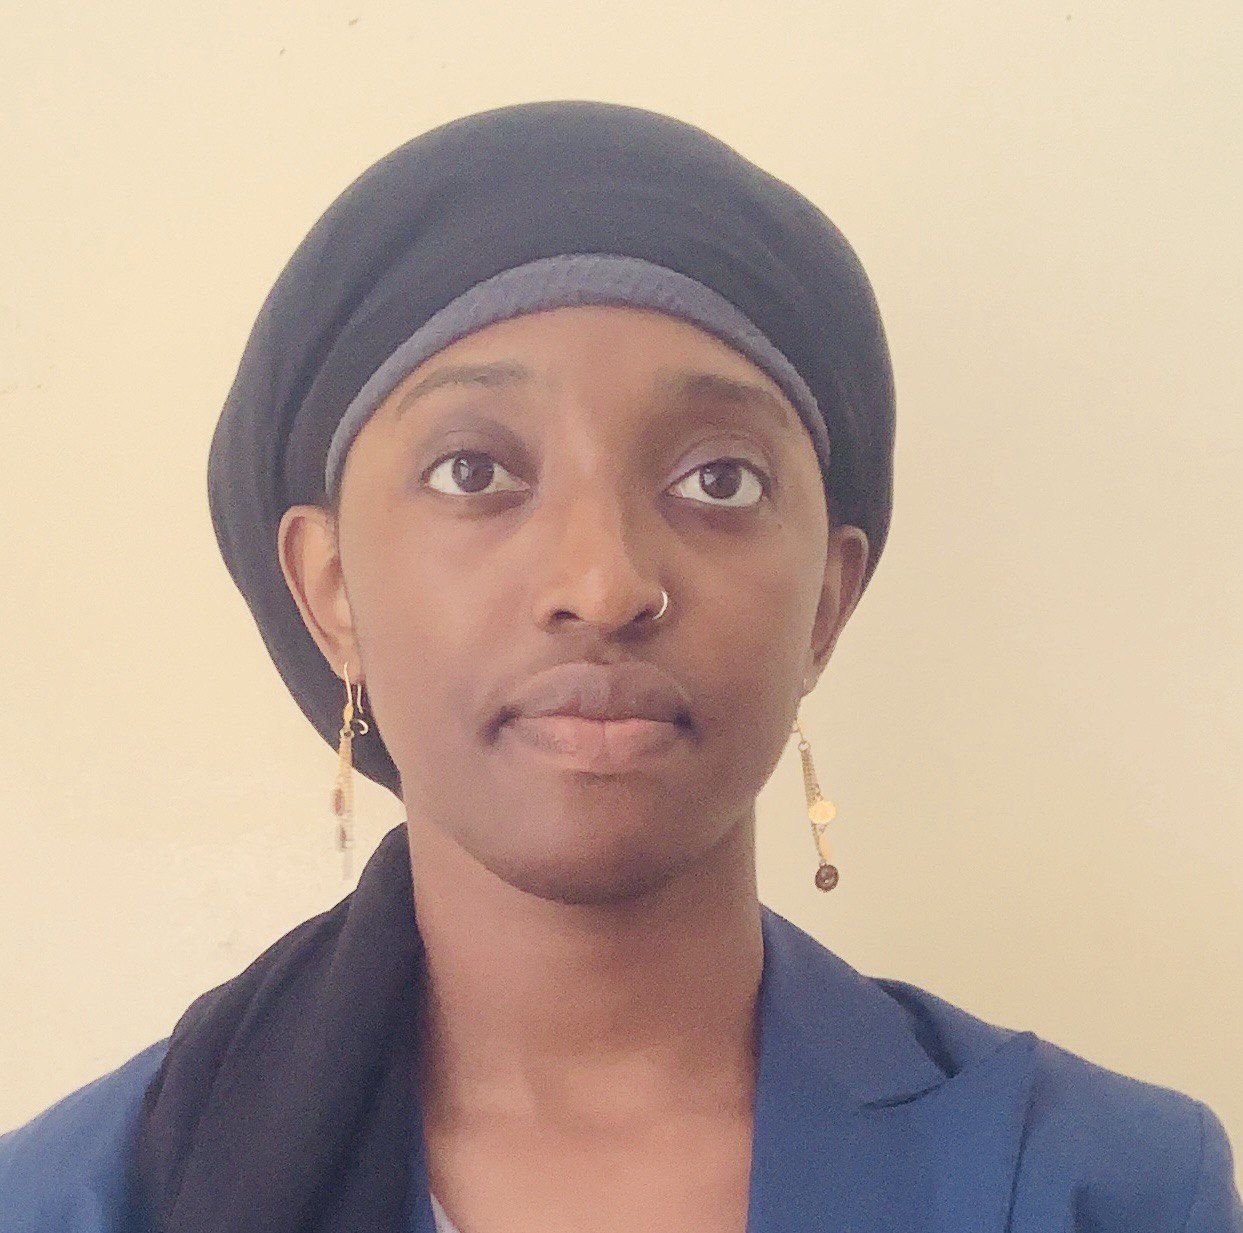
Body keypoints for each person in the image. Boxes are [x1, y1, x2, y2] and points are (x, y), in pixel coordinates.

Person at [1, 99, 1238, 1233]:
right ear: (330, 589)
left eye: (720, 480)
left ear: (826, 601)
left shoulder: (1110, 1187)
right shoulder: (82, 1200)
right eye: (474, 472)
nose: (603, 586)